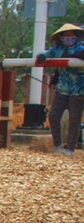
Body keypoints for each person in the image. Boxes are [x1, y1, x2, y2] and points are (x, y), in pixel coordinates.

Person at [39, 23, 84, 155]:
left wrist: (72, 57)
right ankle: (58, 145)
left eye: (71, 35)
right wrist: (41, 57)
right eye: (66, 35)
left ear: (76, 36)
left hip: (79, 89)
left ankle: (70, 148)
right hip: (62, 88)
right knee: (54, 115)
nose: (69, 38)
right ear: (61, 37)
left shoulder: (81, 48)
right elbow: (45, 54)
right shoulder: (57, 49)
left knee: (74, 119)